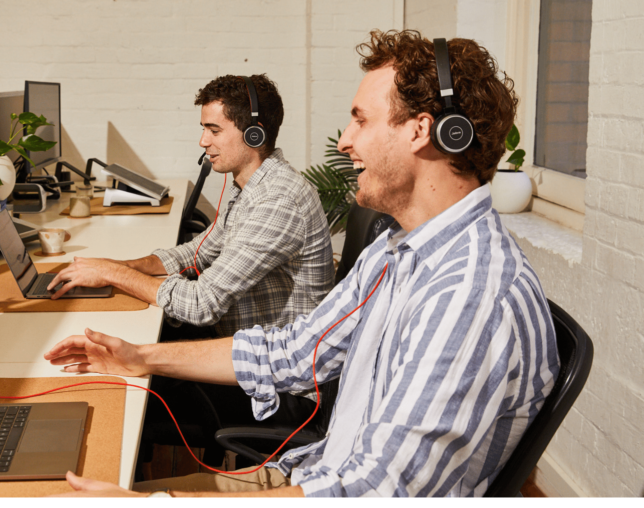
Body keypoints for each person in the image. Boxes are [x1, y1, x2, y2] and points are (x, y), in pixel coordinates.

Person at [44, 29, 560, 497]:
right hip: (313, 470)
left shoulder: (466, 296)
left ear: (422, 130)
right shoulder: (397, 250)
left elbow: (368, 493)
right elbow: (295, 351)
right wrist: (140, 356)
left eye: (360, 120)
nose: (344, 141)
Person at [47, 74, 334, 339]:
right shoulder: (250, 188)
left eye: (214, 130)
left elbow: (201, 304)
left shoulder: (278, 200)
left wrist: (114, 275)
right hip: (233, 346)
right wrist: (119, 266)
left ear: (253, 135)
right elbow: (197, 253)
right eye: (204, 129)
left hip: (269, 375)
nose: (203, 141)